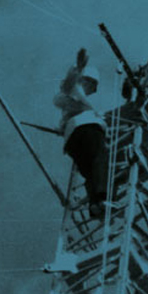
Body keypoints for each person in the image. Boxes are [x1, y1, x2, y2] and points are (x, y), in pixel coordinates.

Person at [54, 48, 109, 217]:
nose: (92, 89)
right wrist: (78, 68)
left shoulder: (74, 100)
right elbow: (69, 83)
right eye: (92, 84)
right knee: (100, 157)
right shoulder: (75, 90)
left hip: (72, 141)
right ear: (86, 80)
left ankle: (95, 205)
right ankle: (101, 198)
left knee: (90, 173)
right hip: (86, 129)